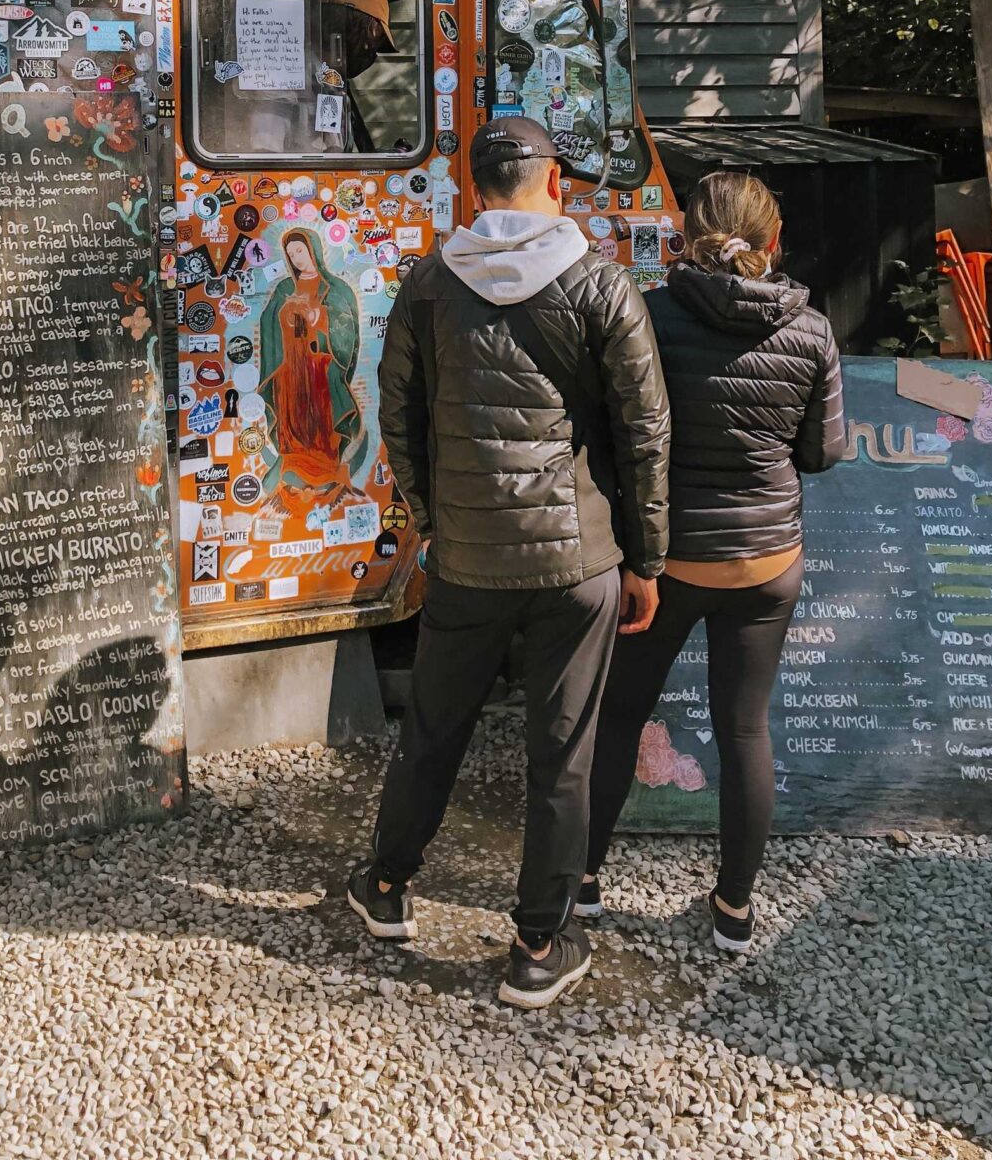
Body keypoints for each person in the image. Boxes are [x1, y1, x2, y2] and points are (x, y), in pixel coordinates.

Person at [346, 117, 670, 1010]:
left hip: (468, 559)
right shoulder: (603, 285)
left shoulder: (426, 283)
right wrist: (647, 556)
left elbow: (398, 416)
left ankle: (385, 887)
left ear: (472, 184)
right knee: (561, 752)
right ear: (554, 181)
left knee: (434, 729)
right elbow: (645, 431)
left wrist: (434, 521)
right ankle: (538, 943)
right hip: (580, 559)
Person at [580, 171, 845, 954]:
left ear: (686, 234)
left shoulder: (652, 317)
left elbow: (617, 431)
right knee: (745, 730)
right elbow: (823, 454)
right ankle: (734, 909)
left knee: (619, 716)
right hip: (767, 563)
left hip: (663, 564)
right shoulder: (812, 329)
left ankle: (585, 882)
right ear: (775, 237)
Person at [257, 227, 367, 492]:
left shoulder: (335, 288)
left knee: (321, 420)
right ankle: (291, 464)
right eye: (291, 253)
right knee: (292, 420)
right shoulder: (285, 288)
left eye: (300, 250)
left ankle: (326, 468)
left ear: (314, 250)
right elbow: (268, 321)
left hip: (320, 368)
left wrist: (321, 320)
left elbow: (347, 328)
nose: (295, 258)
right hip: (289, 369)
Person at [322, 0, 397, 153]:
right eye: (375, 40)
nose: (370, 49)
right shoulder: (316, 83)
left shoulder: (332, 82)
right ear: (371, 28)